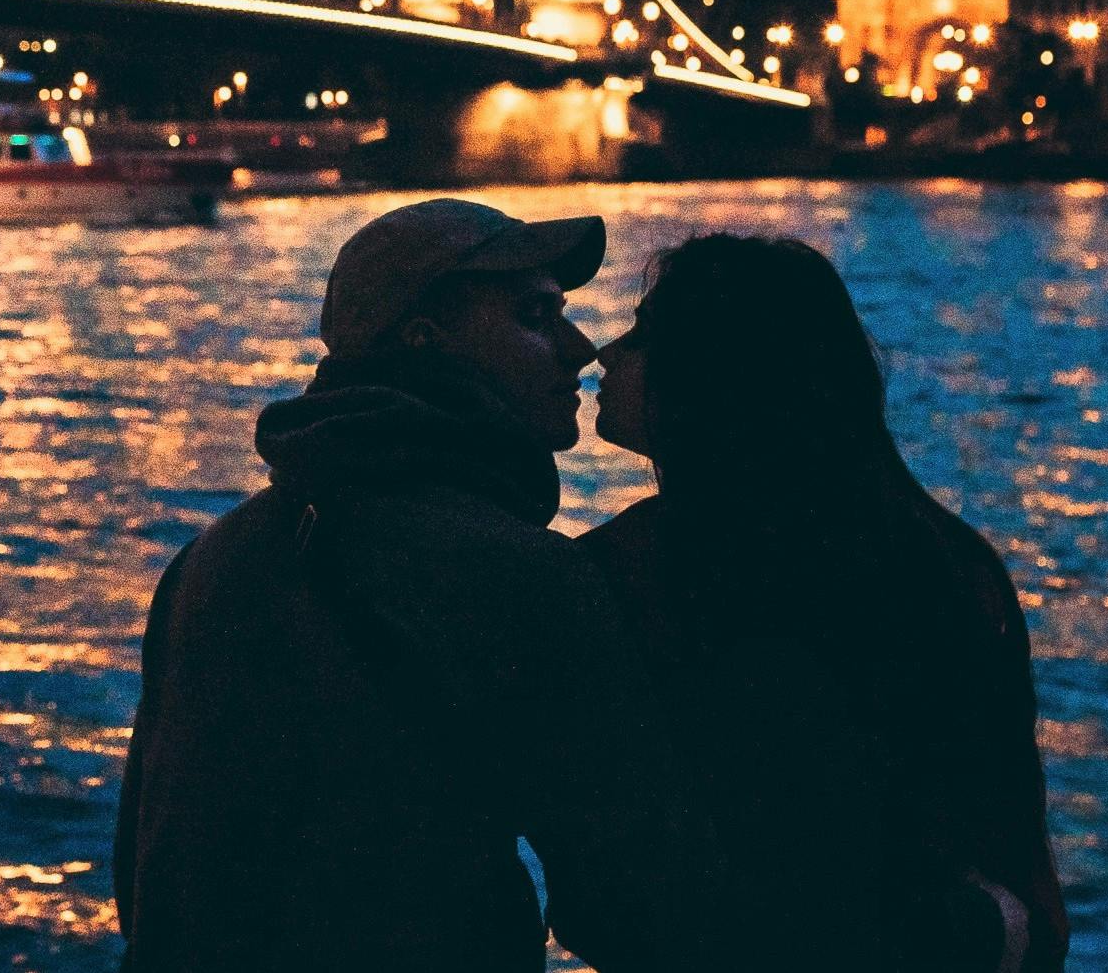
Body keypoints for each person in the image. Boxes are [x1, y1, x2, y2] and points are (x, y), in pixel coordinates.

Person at [113, 198, 735, 971]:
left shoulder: (207, 560)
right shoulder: (518, 574)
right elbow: (634, 901)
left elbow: (144, 867)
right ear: (425, 340)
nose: (578, 347)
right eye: (535, 315)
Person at [586, 234, 1069, 973]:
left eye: (646, 334)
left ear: (717, 373)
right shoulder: (941, 559)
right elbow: (1005, 825)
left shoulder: (638, 567)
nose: (605, 353)